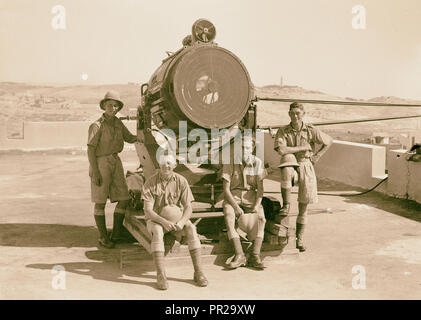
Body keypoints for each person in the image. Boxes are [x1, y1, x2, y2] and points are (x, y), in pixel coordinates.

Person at [142, 153, 208, 290]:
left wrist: (182, 222)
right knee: (158, 231)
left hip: (176, 222)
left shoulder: (181, 181)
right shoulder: (150, 183)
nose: (166, 166)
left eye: (169, 163)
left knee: (191, 228)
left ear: (174, 165)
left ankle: (198, 272)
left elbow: (189, 207)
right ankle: (161, 275)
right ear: (158, 164)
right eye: (163, 163)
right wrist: (164, 222)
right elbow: (148, 211)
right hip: (156, 221)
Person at [274, 102, 332, 252]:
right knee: (286, 162)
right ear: (289, 114)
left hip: (306, 164)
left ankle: (299, 239)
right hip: (291, 163)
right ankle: (286, 204)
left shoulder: (310, 130)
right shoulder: (283, 131)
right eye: (292, 113)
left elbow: (328, 141)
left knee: (303, 207)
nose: (295, 116)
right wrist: (303, 147)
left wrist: (317, 155)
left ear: (303, 114)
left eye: (297, 113)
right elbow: (281, 150)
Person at [87, 90, 139, 249]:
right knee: (100, 201)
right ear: (104, 106)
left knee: (124, 198)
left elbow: (130, 138)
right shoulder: (96, 125)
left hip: (115, 161)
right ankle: (103, 237)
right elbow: (90, 150)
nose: (113, 108)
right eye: (110, 105)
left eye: (116, 105)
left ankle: (116, 233)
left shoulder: (118, 123)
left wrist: (145, 134)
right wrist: (95, 172)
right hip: (100, 162)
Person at [222, 135, 266, 270]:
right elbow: (226, 189)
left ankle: (255, 255)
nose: (244, 150)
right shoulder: (229, 162)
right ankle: (239, 254)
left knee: (261, 218)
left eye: (247, 147)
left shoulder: (257, 162)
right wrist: (235, 207)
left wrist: (256, 205)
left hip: (251, 197)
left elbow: (260, 189)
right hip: (233, 197)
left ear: (252, 148)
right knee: (229, 215)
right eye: (241, 147)